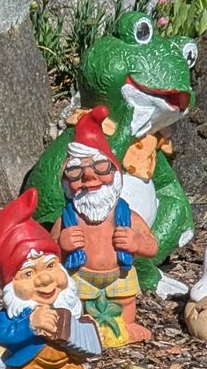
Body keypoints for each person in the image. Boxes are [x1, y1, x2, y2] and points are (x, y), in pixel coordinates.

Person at [0, 188, 102, 369]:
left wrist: (90, 333)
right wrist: (30, 324)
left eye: (50, 266)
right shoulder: (15, 313)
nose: (45, 279)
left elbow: (78, 325)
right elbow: (0, 334)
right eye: (29, 274)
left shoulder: (66, 302)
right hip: (30, 362)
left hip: (65, 358)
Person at [54, 105, 158, 345]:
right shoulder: (67, 218)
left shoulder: (128, 215)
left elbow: (152, 246)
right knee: (76, 302)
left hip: (119, 274)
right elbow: (48, 253)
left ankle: (127, 325)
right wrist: (61, 244)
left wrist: (136, 242)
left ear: (116, 174)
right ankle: (82, 329)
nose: (89, 178)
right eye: (76, 172)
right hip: (81, 275)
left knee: (126, 300)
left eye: (100, 169)